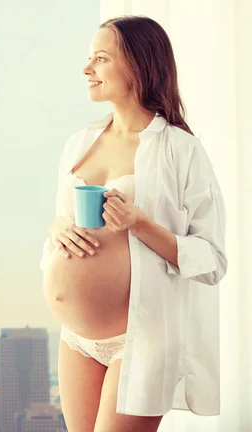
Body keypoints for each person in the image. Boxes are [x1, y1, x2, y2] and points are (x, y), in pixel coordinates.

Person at [39, 15, 228, 432]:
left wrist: (140, 224)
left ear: (138, 66)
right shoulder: (79, 144)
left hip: (141, 338)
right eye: (89, 58)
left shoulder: (180, 150)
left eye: (100, 58)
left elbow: (212, 260)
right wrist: (56, 230)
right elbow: (59, 232)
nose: (87, 69)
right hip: (75, 339)